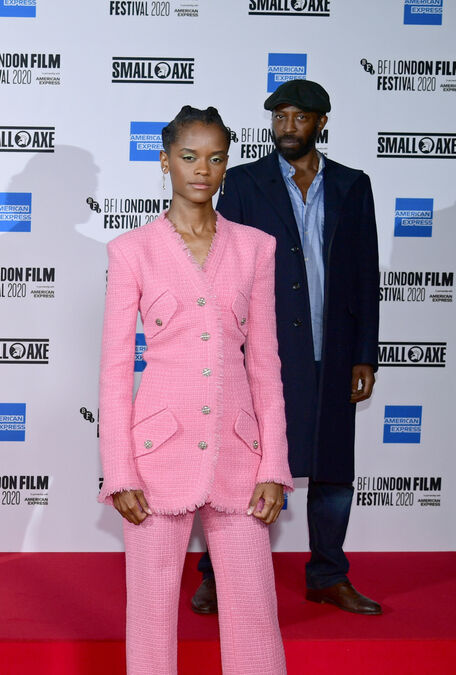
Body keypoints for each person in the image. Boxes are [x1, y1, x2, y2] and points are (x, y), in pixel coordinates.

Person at [98, 106, 292, 674]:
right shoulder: (132, 249)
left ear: (227, 164)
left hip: (241, 455)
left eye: (215, 158)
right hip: (156, 456)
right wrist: (120, 471)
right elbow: (114, 371)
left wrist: (274, 465)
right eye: (188, 157)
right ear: (165, 162)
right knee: (151, 614)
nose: (202, 170)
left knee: (254, 610)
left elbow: (265, 365)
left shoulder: (256, 247)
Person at [192, 80, 382, 617]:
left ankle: (328, 575)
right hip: (267, 353)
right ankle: (216, 574)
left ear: (322, 122)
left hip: (335, 349)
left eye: (300, 117)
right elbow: (225, 266)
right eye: (280, 117)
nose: (288, 127)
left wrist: (365, 353)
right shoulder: (245, 182)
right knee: (245, 465)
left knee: (333, 470)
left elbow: (366, 273)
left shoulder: (352, 185)